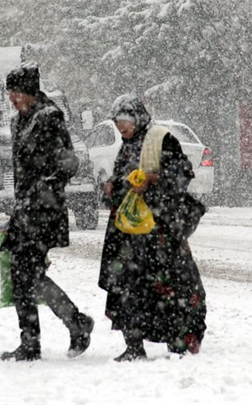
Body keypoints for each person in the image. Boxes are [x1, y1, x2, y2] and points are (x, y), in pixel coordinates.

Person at [98, 94, 207, 361]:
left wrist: (152, 179)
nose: (120, 127)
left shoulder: (160, 138)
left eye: (124, 120)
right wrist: (114, 185)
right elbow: (125, 176)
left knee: (174, 286)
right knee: (128, 285)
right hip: (130, 233)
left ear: (137, 117)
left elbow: (182, 173)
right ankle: (134, 345)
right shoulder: (128, 145)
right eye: (117, 122)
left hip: (159, 231)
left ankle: (181, 339)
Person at [0, 62, 94, 362]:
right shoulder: (19, 122)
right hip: (24, 210)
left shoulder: (49, 117)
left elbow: (70, 163)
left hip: (44, 210)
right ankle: (46, 335)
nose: (11, 99)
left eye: (15, 93)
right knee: (24, 275)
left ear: (29, 91)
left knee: (27, 274)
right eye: (9, 94)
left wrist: (46, 188)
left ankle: (56, 331)